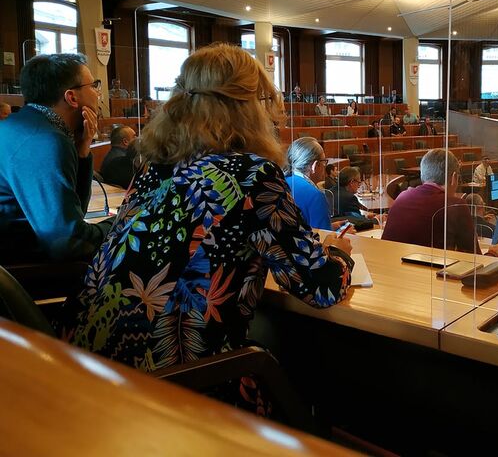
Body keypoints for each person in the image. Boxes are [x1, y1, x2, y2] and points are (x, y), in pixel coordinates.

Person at [56, 44, 353, 414]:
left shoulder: (153, 167)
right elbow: (319, 287)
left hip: (86, 370)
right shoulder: (253, 176)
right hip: (172, 390)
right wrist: (341, 256)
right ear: (246, 107)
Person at [0, 53, 112, 263]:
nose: (98, 93)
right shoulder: (46, 141)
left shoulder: (17, 126)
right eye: (93, 85)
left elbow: (74, 216)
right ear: (72, 97)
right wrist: (121, 222)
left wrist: (82, 151)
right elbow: (69, 243)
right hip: (22, 270)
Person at [382, 148, 498, 257]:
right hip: (429, 275)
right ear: (453, 178)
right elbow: (475, 263)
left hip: (392, 271)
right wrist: (494, 254)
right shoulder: (456, 205)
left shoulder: (401, 197)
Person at [285, 137, 336, 230]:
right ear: (315, 165)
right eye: (324, 162)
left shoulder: (282, 182)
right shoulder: (315, 196)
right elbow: (322, 237)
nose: (325, 166)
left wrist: (332, 227)